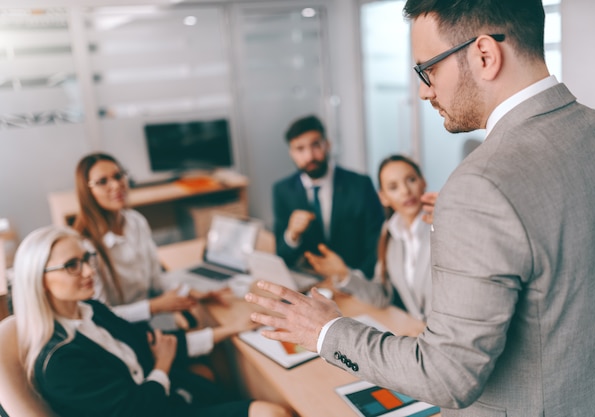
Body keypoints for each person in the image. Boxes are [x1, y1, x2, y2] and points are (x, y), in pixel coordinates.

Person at [246, 1, 595, 416]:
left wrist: (325, 330)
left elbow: (446, 377)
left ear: (485, 55)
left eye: (428, 69)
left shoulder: (480, 184)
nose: (424, 90)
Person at [10, 225, 291, 417]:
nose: (87, 271)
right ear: (39, 280)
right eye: (72, 265)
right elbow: (138, 410)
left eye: (86, 259)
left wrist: (232, 329)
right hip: (155, 409)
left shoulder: (90, 310)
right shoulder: (60, 362)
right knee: (272, 413)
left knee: (228, 376)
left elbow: (157, 343)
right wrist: (162, 365)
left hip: (162, 397)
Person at [73, 152, 224, 326]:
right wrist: (154, 307)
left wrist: (189, 291)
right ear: (87, 191)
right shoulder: (86, 246)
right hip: (121, 332)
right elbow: (102, 317)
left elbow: (156, 280)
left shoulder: (135, 221)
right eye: (102, 182)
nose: (116, 185)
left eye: (118, 176)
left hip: (150, 319)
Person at [305, 155, 437, 322]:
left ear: (423, 182)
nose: (405, 191)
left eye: (411, 180)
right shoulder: (389, 233)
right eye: (393, 187)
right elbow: (381, 296)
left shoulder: (443, 224)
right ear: (383, 197)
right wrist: (344, 274)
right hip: (418, 334)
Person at [272, 115, 384, 277]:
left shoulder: (360, 185)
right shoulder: (282, 190)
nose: (309, 156)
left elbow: (377, 244)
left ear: (328, 145)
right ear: (291, 153)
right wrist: (292, 235)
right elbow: (282, 256)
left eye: (315, 145)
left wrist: (354, 280)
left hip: (354, 280)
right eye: (300, 149)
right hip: (312, 281)